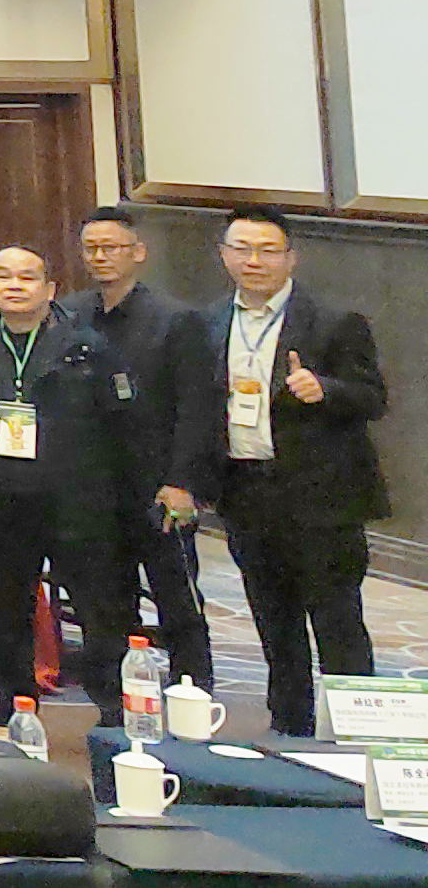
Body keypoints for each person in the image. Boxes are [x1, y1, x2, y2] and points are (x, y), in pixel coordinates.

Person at [206, 207, 388, 739]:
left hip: (321, 498)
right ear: (224, 255)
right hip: (246, 490)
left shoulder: (335, 321)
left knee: (336, 621)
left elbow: (373, 398)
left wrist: (324, 389)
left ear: (291, 258)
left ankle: (356, 734)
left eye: (267, 250)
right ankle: (289, 728)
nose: (254, 261)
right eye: (242, 249)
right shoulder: (207, 323)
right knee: (273, 620)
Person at [0, 246, 124, 706]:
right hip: (2, 495)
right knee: (9, 608)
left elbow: (120, 423)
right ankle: (13, 707)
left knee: (96, 608)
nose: (15, 286)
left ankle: (113, 710)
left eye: (27, 277)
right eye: (3, 276)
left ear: (50, 290)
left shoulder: (86, 347)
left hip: (76, 497)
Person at [65, 206, 217, 687]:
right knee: (104, 599)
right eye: (91, 248)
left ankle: (194, 692)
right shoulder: (70, 315)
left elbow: (197, 407)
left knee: (177, 597)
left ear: (138, 252)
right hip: (93, 484)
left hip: (157, 482)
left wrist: (183, 481)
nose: (100, 257)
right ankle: (114, 699)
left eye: (111, 247)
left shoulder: (177, 320)